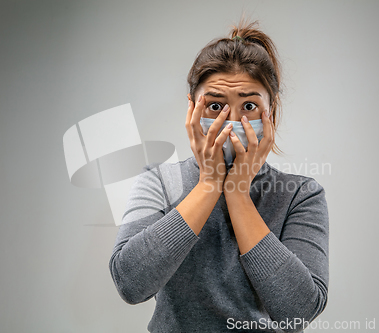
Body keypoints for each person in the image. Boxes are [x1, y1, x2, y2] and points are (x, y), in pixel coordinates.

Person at [109, 20, 329, 333]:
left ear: (272, 111)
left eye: (249, 105)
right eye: (215, 105)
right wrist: (209, 185)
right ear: (192, 110)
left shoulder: (301, 195)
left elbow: (300, 310)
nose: (232, 122)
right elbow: (130, 284)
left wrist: (238, 193)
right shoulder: (157, 182)